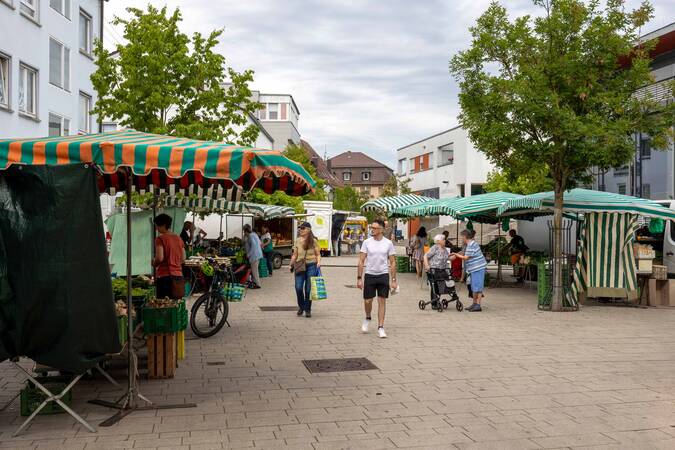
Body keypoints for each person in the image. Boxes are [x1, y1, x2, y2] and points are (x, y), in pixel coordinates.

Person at [357, 219, 397, 338]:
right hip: (369, 274)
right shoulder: (367, 242)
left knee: (382, 301)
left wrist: (394, 280)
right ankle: (368, 317)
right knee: (368, 301)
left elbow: (393, 262)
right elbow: (361, 260)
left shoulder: (388, 243)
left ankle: (381, 327)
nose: (372, 230)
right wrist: (359, 278)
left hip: (383, 275)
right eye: (371, 228)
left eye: (374, 228)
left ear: (381, 229)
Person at [289, 222, 321, 318]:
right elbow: (295, 254)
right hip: (299, 265)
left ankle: (307, 309)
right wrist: (291, 264)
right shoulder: (297, 240)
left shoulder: (314, 241)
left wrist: (318, 263)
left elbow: (318, 254)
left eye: (303, 228)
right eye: (300, 228)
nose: (300, 229)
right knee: (298, 287)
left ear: (308, 229)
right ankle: (301, 306)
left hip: (312, 265)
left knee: (308, 289)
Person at [451, 229, 487, 312]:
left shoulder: (471, 244)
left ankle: (478, 305)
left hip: (478, 268)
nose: (461, 239)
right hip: (475, 268)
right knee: (474, 286)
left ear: (465, 236)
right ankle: (474, 304)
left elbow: (466, 257)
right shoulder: (470, 244)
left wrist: (455, 254)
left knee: (477, 287)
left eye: (461, 237)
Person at [152, 214, 186, 299]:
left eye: (157, 226)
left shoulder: (160, 239)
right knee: (175, 305)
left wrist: (154, 262)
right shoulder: (178, 238)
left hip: (165, 277)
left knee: (164, 305)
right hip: (178, 276)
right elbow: (183, 258)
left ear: (163, 225)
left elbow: (159, 258)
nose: (156, 228)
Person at [243, 224, 263, 289]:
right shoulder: (255, 234)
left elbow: (253, 246)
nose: (244, 233)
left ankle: (258, 284)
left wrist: (248, 255)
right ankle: (254, 283)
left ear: (246, 231)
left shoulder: (250, 236)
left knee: (255, 271)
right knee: (254, 270)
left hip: (254, 256)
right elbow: (260, 243)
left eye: (244, 232)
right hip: (258, 255)